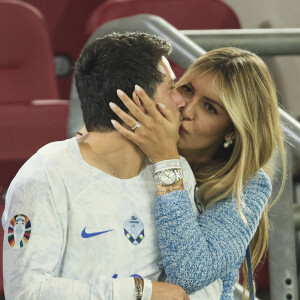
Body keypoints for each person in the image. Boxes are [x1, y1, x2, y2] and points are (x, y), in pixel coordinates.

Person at [2, 33, 222, 300]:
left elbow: (205, 282)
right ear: (139, 102)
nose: (182, 102)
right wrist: (140, 292)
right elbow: (25, 292)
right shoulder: (45, 176)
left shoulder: (174, 169)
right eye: (171, 88)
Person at [109, 47, 286, 299]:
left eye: (210, 108)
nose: (187, 110)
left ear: (232, 130)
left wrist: (166, 160)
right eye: (187, 90)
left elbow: (188, 273)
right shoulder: (135, 141)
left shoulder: (248, 184)